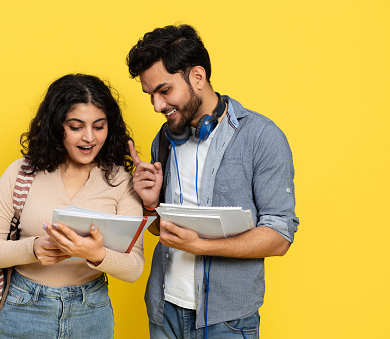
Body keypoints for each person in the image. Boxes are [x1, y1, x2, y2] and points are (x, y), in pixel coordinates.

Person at [126, 24, 299, 338]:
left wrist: (201, 245)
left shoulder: (261, 137)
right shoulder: (163, 141)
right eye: (150, 95)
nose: (156, 106)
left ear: (197, 76)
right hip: (163, 311)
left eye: (164, 91)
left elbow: (279, 235)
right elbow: (161, 230)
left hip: (227, 320)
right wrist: (150, 206)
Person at [0, 74, 144, 339]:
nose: (89, 137)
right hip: (24, 308)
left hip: (91, 312)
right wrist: (32, 248)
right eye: (76, 127)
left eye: (99, 126)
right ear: (57, 127)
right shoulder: (21, 173)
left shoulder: (122, 181)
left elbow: (134, 267)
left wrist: (96, 254)